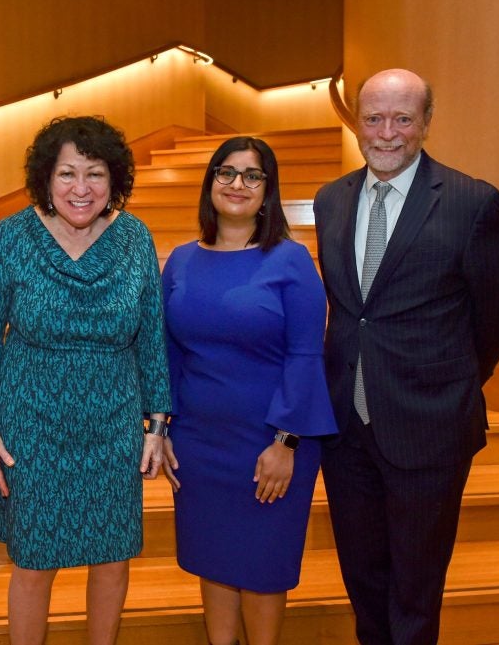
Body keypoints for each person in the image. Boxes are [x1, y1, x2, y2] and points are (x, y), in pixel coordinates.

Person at [313, 68, 499, 645]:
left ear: (426, 124)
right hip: (345, 431)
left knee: (416, 589)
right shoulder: (332, 200)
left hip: (429, 428)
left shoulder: (470, 202)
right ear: (356, 121)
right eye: (373, 117)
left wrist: (449, 381)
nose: (386, 132)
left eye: (402, 118)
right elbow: (349, 310)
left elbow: (497, 312)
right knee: (363, 580)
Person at [0, 115, 171, 645]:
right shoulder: (12, 236)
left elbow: (152, 337)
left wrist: (156, 426)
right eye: (67, 174)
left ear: (115, 180)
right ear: (45, 178)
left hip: (113, 419)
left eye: (95, 174)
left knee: (111, 553)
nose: (81, 189)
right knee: (34, 559)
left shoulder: (134, 238)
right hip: (30, 421)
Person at [161, 137, 337, 645]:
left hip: (271, 443)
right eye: (226, 172)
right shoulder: (182, 260)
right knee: (211, 561)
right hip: (198, 443)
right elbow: (168, 352)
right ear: (210, 182)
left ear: (268, 190)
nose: (237, 184)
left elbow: (306, 355)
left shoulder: (290, 261)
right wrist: (163, 427)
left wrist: (286, 442)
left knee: (262, 568)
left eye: (252, 175)